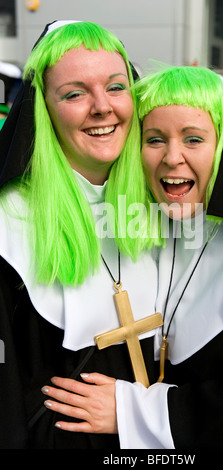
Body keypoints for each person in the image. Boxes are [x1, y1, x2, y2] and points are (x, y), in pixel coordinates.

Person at [42, 65, 223, 450]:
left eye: (193, 139)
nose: (172, 157)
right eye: (154, 139)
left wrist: (132, 412)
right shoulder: (154, 231)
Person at [0, 20, 162, 449]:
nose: (101, 107)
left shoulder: (171, 206)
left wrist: (141, 415)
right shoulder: (8, 221)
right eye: (74, 93)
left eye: (115, 87)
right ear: (44, 110)